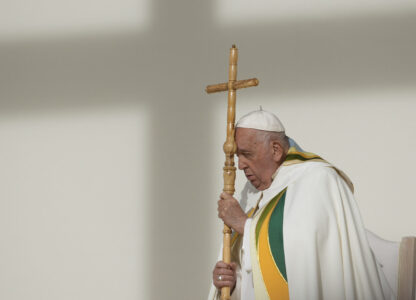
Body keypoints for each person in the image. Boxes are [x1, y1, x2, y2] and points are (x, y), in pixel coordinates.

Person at [208, 108, 394, 300]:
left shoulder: (317, 179)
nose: (240, 165)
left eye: (247, 154)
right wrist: (231, 282)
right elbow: (252, 272)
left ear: (276, 150)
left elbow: (303, 257)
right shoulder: (251, 193)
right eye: (238, 155)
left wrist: (244, 225)